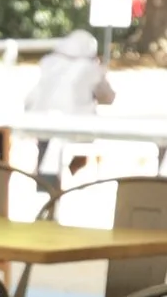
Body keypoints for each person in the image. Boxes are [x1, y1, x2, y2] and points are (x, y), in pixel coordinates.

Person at [26, 25, 114, 183]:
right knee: (80, 151)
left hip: (42, 123)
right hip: (77, 127)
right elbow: (108, 97)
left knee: (46, 154)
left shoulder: (49, 63)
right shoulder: (90, 68)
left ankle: (46, 188)